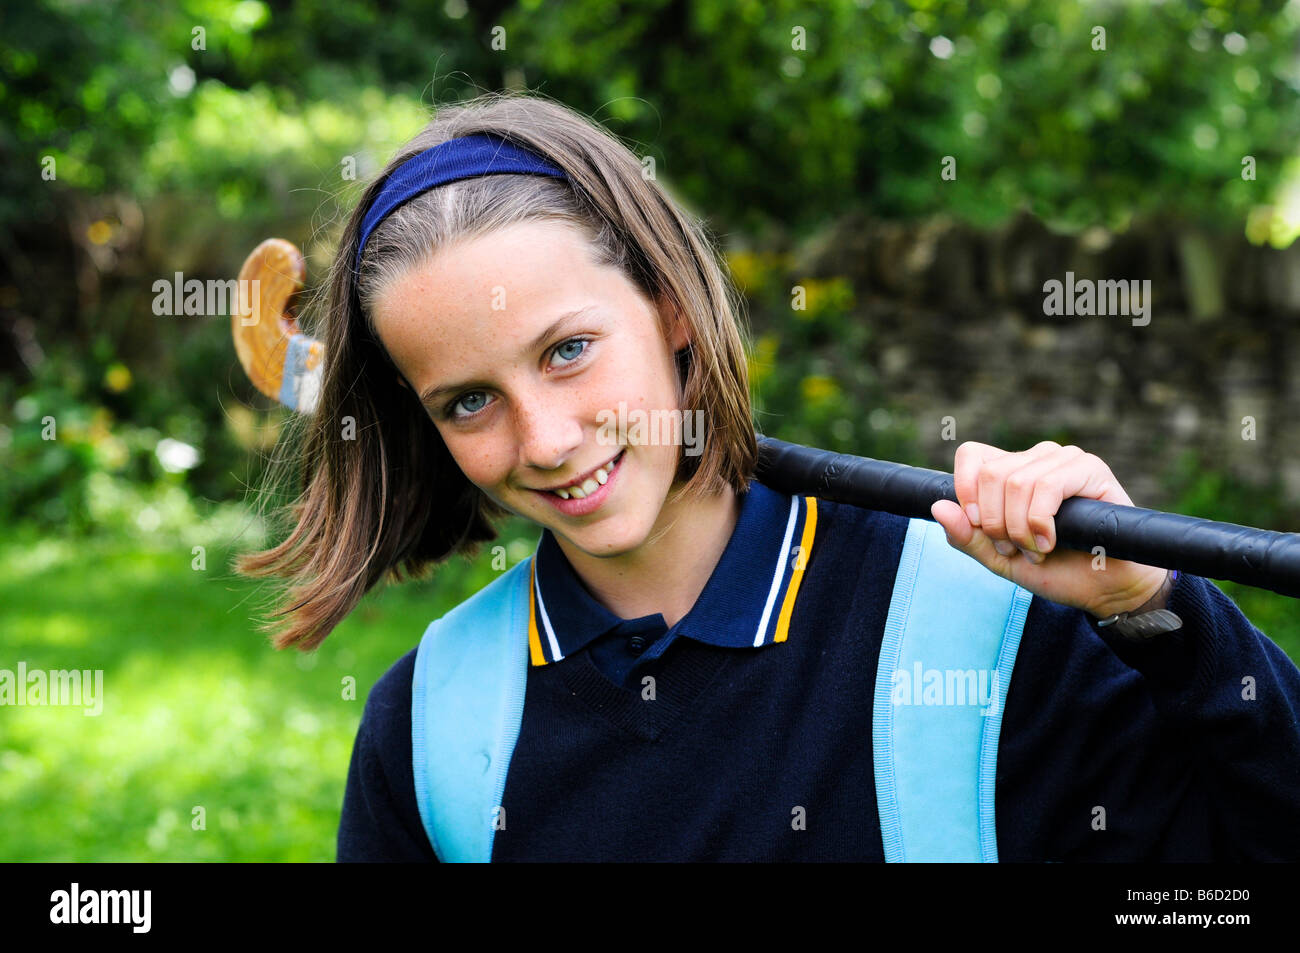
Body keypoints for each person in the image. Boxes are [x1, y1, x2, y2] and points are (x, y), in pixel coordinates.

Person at [235, 90, 1300, 862]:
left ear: (669, 309)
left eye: (568, 350)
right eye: (467, 400)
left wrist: (1155, 611)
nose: (549, 439)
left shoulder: (988, 626)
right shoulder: (430, 723)